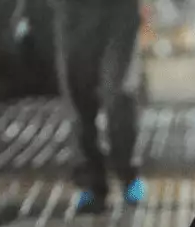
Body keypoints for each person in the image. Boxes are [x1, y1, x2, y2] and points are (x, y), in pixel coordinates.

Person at [50, 0, 146, 214]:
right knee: (79, 98)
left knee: (119, 92)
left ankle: (129, 174)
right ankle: (92, 183)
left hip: (120, 10)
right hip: (73, 10)